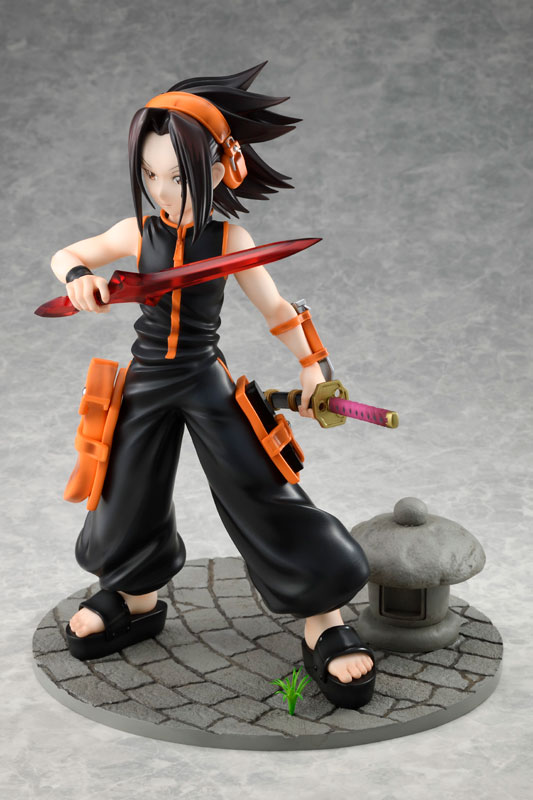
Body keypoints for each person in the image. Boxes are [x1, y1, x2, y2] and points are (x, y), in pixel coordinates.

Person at [50, 63, 375, 709]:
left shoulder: (230, 238)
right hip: (145, 378)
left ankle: (323, 617)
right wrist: (79, 278)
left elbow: (277, 309)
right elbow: (68, 253)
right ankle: (134, 596)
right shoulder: (136, 233)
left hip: (203, 375)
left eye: (177, 176)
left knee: (260, 482)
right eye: (150, 175)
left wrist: (313, 366)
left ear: (222, 167)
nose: (162, 191)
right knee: (123, 485)